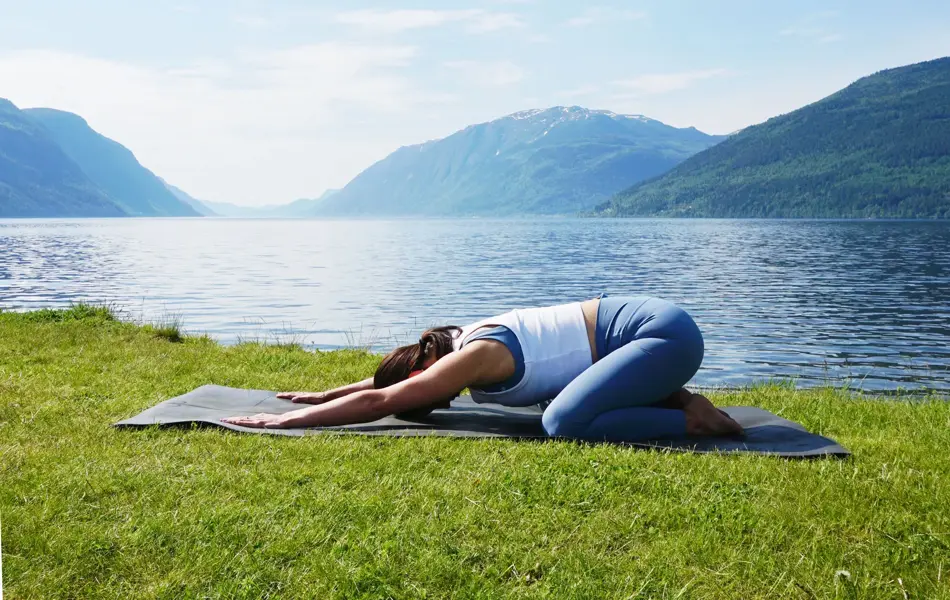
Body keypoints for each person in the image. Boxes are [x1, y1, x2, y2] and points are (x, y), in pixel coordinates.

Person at [222, 295, 743, 441]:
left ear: (424, 356)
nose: (432, 392)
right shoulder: (458, 344)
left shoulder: (474, 353)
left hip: (660, 334)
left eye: (422, 379)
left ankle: (692, 420)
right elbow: (386, 387)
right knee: (568, 408)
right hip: (648, 338)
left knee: (562, 422)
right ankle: (682, 401)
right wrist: (323, 395)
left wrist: (288, 421)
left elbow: (384, 399)